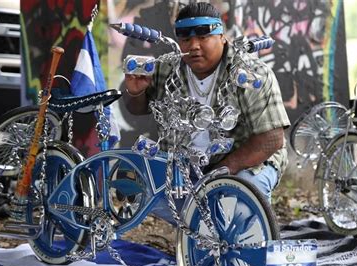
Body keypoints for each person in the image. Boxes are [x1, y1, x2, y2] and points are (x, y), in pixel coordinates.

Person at [123, 2, 290, 203]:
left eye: (203, 37)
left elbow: (271, 139)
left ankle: (244, 230)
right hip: (184, 164)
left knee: (244, 196)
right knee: (142, 194)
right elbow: (137, 109)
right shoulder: (167, 68)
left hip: (244, 163)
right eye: (185, 39)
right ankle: (193, 229)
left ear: (221, 36)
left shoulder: (251, 74)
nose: (193, 46)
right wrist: (136, 92)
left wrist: (221, 171)